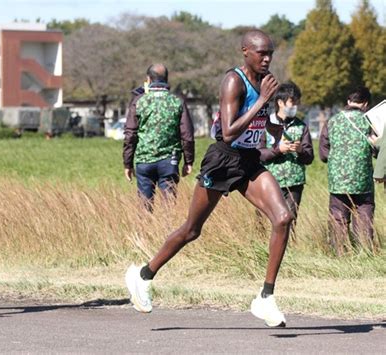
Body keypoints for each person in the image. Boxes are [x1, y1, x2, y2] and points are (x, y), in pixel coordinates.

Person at [125, 30, 293, 327]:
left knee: (282, 218)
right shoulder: (233, 81)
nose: (267, 58)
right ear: (245, 52)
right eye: (261, 53)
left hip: (250, 159)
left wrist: (275, 126)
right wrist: (262, 100)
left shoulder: (263, 82)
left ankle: (265, 298)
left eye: (270, 53)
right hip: (223, 160)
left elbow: (258, 120)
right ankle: (143, 276)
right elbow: (228, 132)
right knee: (192, 230)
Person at [123, 64, 195, 212]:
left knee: (145, 207)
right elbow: (187, 135)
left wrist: (127, 163)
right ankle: (167, 234)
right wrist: (189, 161)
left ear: (148, 79)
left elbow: (130, 135)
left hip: (144, 161)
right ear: (167, 79)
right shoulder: (177, 101)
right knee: (169, 208)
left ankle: (146, 233)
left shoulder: (138, 101)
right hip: (169, 161)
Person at [319, 86, 376, 255]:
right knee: (364, 217)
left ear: (348, 101)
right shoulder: (370, 122)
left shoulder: (332, 121)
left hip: (338, 182)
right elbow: (377, 149)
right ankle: (364, 254)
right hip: (363, 182)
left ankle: (339, 255)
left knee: (338, 219)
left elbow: (323, 154)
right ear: (365, 103)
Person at [257, 82, 314, 226]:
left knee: (290, 221)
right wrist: (278, 150)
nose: (296, 106)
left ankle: (289, 248)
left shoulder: (302, 126)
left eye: (297, 102)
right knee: (264, 222)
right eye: (292, 101)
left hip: (294, 184)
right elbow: (258, 154)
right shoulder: (264, 124)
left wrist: (300, 150)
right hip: (268, 182)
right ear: (280, 102)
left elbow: (309, 157)